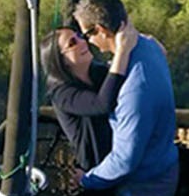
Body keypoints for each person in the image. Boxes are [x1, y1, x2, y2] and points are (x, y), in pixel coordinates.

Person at [73, 0, 179, 196]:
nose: (88, 42)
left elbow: (125, 160)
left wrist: (85, 180)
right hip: (165, 164)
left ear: (101, 30)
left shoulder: (134, 90)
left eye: (87, 35)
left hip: (145, 187)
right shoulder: (150, 46)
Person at [39, 20, 138, 172]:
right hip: (96, 172)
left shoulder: (99, 73)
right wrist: (122, 52)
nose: (82, 42)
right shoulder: (62, 94)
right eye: (72, 43)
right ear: (61, 61)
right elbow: (102, 104)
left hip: (123, 162)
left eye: (79, 36)